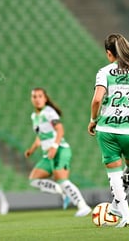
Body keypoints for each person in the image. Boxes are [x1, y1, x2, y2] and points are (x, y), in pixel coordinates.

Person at [88, 33, 129, 227]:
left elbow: (97, 100)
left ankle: (120, 210)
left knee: (114, 174)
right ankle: (121, 211)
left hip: (106, 129)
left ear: (109, 53)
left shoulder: (104, 72)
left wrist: (93, 119)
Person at [25, 88, 91, 216]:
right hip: (48, 155)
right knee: (33, 179)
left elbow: (60, 130)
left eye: (40, 96)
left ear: (45, 98)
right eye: (34, 96)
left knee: (62, 179)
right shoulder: (34, 116)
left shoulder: (49, 112)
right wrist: (31, 150)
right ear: (31, 99)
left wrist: (55, 146)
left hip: (60, 150)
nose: (37, 99)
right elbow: (40, 136)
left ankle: (83, 206)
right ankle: (61, 191)